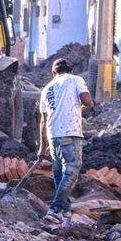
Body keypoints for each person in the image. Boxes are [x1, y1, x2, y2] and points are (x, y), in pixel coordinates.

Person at [38, 58, 93, 224]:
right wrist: (82, 106)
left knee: (60, 175)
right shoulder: (76, 80)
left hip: (53, 134)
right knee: (71, 171)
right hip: (70, 132)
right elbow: (87, 101)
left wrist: (42, 147)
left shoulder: (46, 88)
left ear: (53, 73)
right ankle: (54, 210)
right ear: (71, 70)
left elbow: (43, 121)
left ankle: (66, 211)